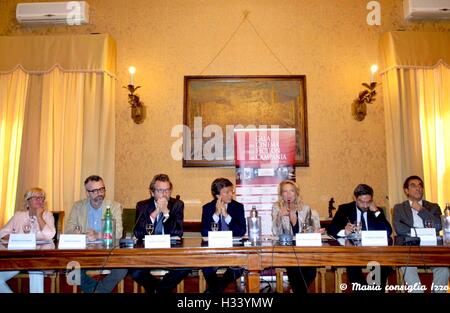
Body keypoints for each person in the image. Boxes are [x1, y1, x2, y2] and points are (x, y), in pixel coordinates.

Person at [65, 175, 127, 293]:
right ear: (87, 193)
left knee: (122, 269)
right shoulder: (78, 207)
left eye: (102, 189)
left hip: (108, 252)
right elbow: (68, 230)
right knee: (71, 270)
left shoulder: (114, 206)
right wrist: (84, 235)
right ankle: (99, 291)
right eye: (94, 191)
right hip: (84, 254)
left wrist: (98, 235)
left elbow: (118, 233)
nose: (99, 194)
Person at [130, 174, 190, 293]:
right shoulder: (142, 206)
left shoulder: (177, 205)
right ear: (152, 192)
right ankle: (161, 290)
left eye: (167, 190)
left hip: (170, 253)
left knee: (185, 267)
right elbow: (138, 233)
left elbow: (178, 232)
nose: (164, 194)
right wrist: (155, 213)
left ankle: (158, 291)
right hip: (148, 253)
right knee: (135, 271)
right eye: (160, 190)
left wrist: (166, 212)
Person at [327, 184, 392, 291]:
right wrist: (344, 231)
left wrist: (375, 211)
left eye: (368, 201)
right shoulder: (345, 209)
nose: (366, 205)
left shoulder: (376, 210)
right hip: (353, 250)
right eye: (362, 202)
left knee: (383, 263)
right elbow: (332, 228)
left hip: (374, 251)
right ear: (355, 198)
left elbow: (388, 231)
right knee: (352, 263)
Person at [393, 175, 449, 293]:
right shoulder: (399, 208)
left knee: (443, 269)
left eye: (420, 185)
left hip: (431, 249)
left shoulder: (433, 207)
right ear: (406, 190)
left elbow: (438, 226)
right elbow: (400, 229)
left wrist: (421, 210)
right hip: (410, 249)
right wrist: (422, 233)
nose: (418, 188)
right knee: (408, 268)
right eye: (413, 186)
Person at [0, 187, 55, 293]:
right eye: (36, 198)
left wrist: (39, 217)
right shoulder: (18, 216)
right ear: (27, 201)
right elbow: (2, 233)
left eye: (42, 198)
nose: (40, 200)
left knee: (35, 268)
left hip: (39, 258)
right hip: (19, 258)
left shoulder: (48, 215)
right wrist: (18, 238)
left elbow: (49, 235)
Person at [272, 179, 321, 293]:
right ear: (281, 194)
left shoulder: (305, 209)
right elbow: (276, 232)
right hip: (287, 248)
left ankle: (296, 290)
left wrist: (314, 231)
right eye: (285, 191)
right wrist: (279, 216)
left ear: (296, 193)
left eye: (291, 191)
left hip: (304, 249)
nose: (288, 194)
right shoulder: (277, 207)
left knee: (310, 272)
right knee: (295, 268)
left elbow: (308, 229)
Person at [201, 178, 246, 293]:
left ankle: (216, 289)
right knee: (205, 264)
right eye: (227, 192)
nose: (231, 194)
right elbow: (205, 232)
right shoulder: (207, 208)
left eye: (232, 191)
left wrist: (226, 215)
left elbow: (241, 231)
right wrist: (216, 214)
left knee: (241, 265)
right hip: (213, 250)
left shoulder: (238, 207)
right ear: (217, 195)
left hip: (233, 249)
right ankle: (218, 289)